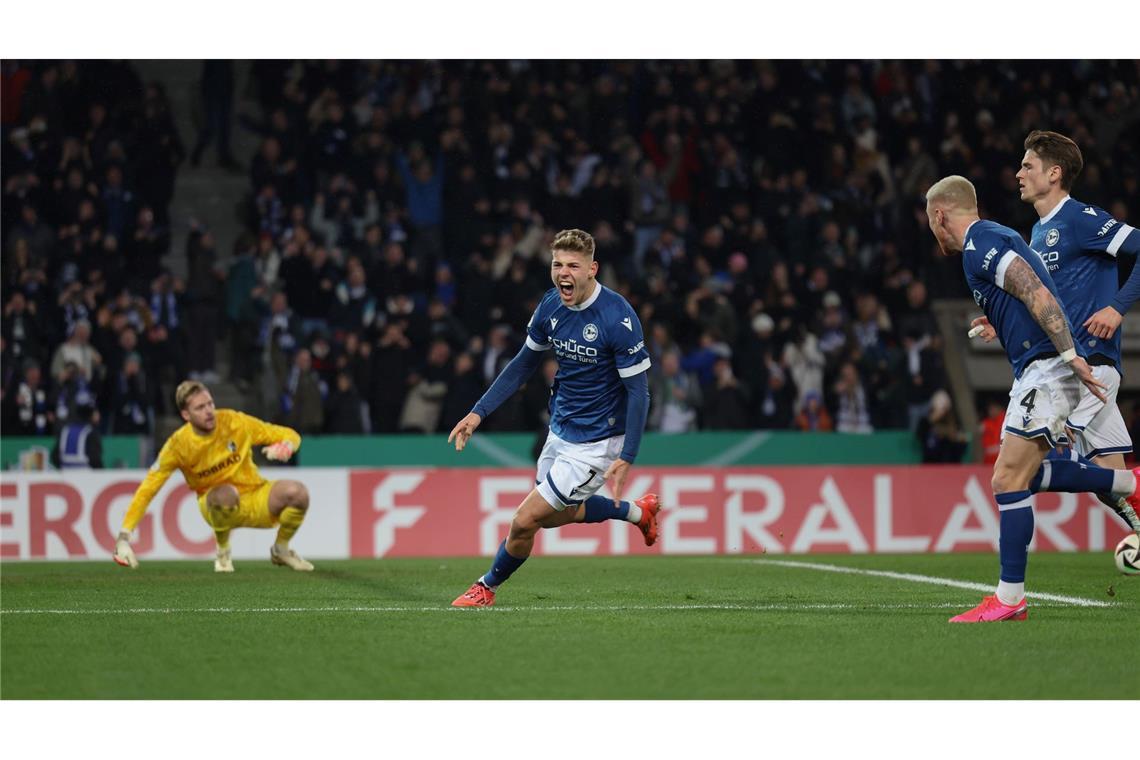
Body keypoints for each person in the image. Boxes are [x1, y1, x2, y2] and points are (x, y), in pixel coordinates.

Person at [926, 175, 1140, 623]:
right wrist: (1000, 322)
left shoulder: (979, 242)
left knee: (1008, 478)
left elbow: (1035, 290)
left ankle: (1010, 599)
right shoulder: (1000, 235)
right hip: (1040, 368)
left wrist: (1069, 355)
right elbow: (1034, 289)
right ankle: (1128, 485)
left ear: (939, 215)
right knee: (1015, 478)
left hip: (1048, 369)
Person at [446, 229, 659, 607]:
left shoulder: (618, 317)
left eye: (573, 265)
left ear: (592, 269)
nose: (564, 272)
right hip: (559, 429)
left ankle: (486, 587)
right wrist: (478, 413)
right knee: (555, 516)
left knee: (524, 520)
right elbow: (522, 365)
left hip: (597, 443)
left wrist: (628, 454)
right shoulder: (551, 306)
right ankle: (636, 512)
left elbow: (638, 391)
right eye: (557, 264)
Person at [112, 380, 314, 573]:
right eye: (200, 408)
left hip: (255, 495)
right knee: (226, 493)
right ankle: (223, 551)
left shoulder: (235, 422)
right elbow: (148, 489)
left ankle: (281, 549)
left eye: (210, 403)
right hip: (215, 502)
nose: (209, 411)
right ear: (185, 414)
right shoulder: (178, 446)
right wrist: (124, 537)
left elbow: (289, 434)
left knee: (298, 493)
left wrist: (288, 446)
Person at [49, 393, 103, 469]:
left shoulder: (65, 431)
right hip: (86, 477)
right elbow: (95, 461)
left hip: (66, 477)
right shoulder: (91, 433)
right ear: (92, 413)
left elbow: (55, 457)